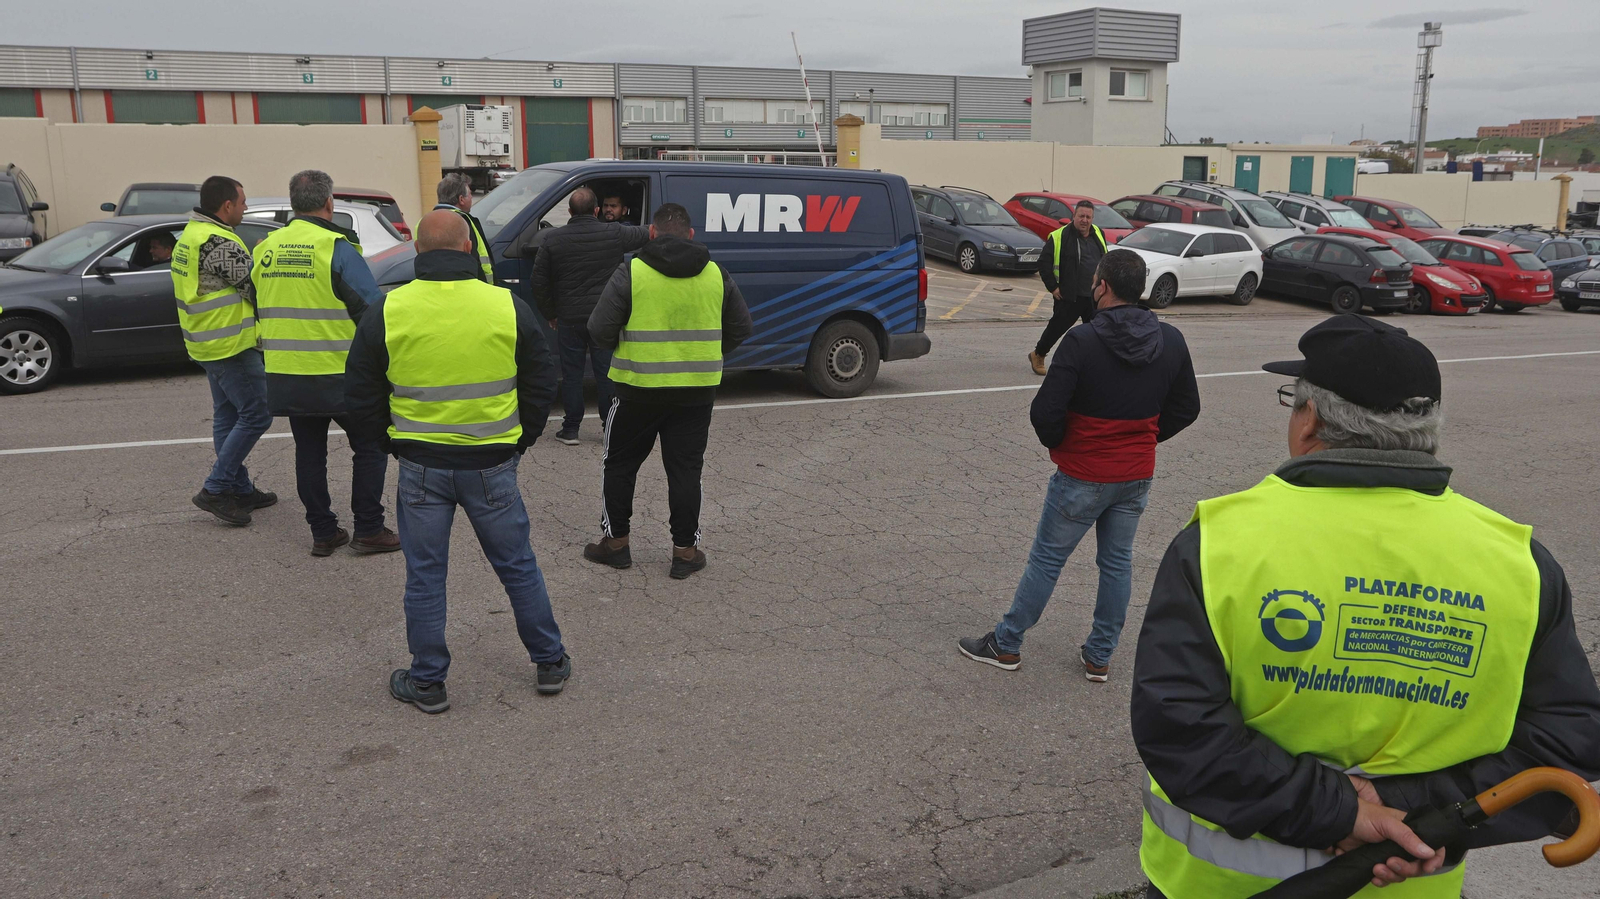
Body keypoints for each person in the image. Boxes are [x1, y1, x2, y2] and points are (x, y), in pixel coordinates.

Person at [1129, 315, 1600, 898]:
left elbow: (1178, 725)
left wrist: (1341, 811)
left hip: (1212, 886)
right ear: (1427, 429)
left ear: (1310, 420)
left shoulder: (1218, 543)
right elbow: (1567, 741)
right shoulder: (1521, 564)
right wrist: (1410, 806)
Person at [345, 210, 568, 714]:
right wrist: (521, 439)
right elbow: (542, 377)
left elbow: (360, 391)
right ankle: (550, 661)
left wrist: (391, 443)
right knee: (517, 566)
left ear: (417, 251)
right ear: (469, 249)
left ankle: (428, 682)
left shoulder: (389, 309)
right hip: (492, 462)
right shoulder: (505, 305)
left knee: (425, 576)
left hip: (421, 465)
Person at [959, 248, 1199, 680]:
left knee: (1047, 560)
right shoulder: (1171, 340)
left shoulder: (1082, 340)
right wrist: (1145, 437)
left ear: (1102, 287)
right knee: (1117, 563)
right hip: (1135, 473)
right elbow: (1187, 408)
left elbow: (1045, 412)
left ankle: (1006, 644)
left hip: (1083, 473)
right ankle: (1099, 656)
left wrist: (1065, 444)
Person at [583, 202, 752, 579]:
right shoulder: (716, 274)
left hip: (636, 388)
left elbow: (598, 328)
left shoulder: (632, 271)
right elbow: (742, 327)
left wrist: (626, 348)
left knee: (620, 465)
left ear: (652, 233)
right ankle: (685, 552)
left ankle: (616, 545)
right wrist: (703, 354)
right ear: (691, 235)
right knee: (686, 471)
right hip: (695, 393)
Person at [252, 169, 397, 556]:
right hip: (340, 373)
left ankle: (323, 532)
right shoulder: (336, 248)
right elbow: (371, 313)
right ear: (329, 203)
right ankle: (369, 528)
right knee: (370, 447)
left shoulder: (265, 249)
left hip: (287, 373)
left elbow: (255, 299)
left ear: (293, 203)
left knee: (309, 454)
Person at [171, 175, 275, 526]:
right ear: (227, 205)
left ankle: (240, 488)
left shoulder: (191, 235)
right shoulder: (219, 243)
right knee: (257, 413)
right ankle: (216, 488)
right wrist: (262, 256)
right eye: (243, 202)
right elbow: (256, 289)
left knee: (227, 416)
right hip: (231, 345)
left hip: (206, 341)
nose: (246, 208)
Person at [531, 186, 650, 446]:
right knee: (606, 374)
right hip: (603, 319)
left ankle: (571, 429)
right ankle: (610, 428)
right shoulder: (614, 233)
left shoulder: (552, 239)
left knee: (572, 375)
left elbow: (538, 281)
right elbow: (648, 233)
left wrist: (551, 313)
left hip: (569, 318)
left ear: (570, 211)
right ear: (596, 210)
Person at [1028, 199, 1107, 376]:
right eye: (1081, 216)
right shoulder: (1059, 236)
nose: (1084, 220)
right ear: (1074, 216)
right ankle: (1038, 354)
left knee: (1097, 333)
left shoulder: (1098, 234)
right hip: (1068, 295)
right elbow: (1043, 263)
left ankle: (1093, 364)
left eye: (1088, 217)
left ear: (1092, 218)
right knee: (1056, 329)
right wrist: (1053, 287)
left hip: (1093, 295)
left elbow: (1104, 260)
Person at [433, 173, 492, 283]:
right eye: (469, 194)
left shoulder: (424, 222)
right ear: (461, 199)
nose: (471, 197)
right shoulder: (462, 222)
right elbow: (477, 259)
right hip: (468, 287)